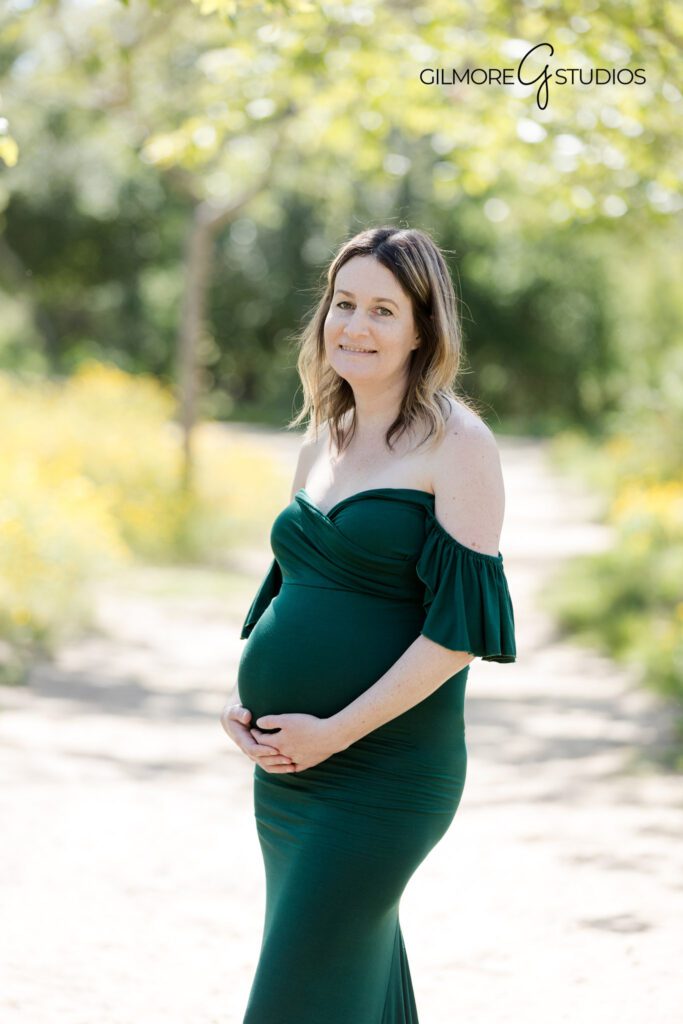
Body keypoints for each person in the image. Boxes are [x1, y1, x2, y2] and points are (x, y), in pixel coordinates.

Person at [220, 225, 516, 1023]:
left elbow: (457, 636)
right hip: (290, 770)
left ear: (424, 328)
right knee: (348, 977)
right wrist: (247, 707)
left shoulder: (458, 445)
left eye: (383, 310)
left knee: (299, 982)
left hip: (384, 771)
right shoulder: (325, 435)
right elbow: (299, 591)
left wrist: (336, 731)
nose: (354, 326)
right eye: (343, 303)